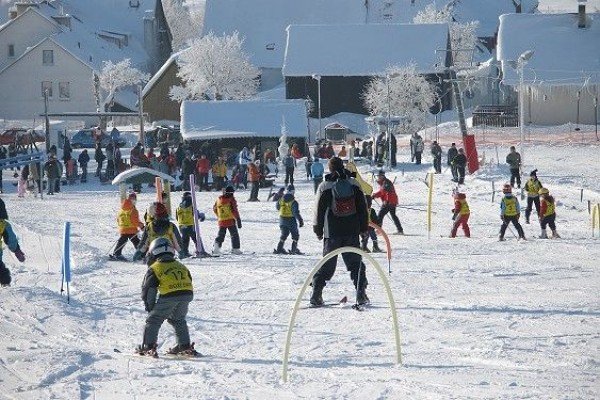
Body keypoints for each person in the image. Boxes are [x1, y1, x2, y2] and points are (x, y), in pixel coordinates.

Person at [311, 157, 369, 307]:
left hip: (332, 233)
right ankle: (361, 293)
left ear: (329, 169)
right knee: (356, 263)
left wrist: (318, 229)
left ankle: (316, 294)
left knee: (327, 264)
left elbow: (319, 210)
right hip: (352, 231)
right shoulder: (354, 183)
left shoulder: (325, 186)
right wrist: (363, 228)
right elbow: (363, 208)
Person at [136, 237, 198, 357]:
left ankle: (148, 347)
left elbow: (149, 290)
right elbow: (188, 279)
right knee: (178, 319)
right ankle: (184, 346)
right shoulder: (180, 265)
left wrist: (150, 308)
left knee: (153, 320)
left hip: (170, 295)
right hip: (186, 293)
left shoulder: (155, 268)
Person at [110, 192, 144, 261]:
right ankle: (142, 254)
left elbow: (118, 219)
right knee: (136, 242)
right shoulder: (133, 210)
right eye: (134, 199)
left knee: (122, 241)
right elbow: (135, 221)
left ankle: (117, 253)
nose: (134, 201)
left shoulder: (121, 209)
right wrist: (142, 226)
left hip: (123, 229)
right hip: (131, 229)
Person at [212, 185, 242, 255]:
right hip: (230, 220)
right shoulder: (231, 200)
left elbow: (214, 209)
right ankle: (236, 249)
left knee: (221, 235)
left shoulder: (219, 199)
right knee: (234, 235)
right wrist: (238, 219)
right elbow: (234, 210)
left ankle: (216, 248)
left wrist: (219, 216)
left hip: (221, 220)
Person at [274, 185, 304, 254]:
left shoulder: (281, 199)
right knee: (295, 235)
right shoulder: (293, 202)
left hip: (282, 219)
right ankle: (294, 249)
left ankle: (279, 248)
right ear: (293, 192)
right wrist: (300, 221)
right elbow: (295, 212)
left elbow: (277, 207)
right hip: (291, 220)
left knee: (284, 234)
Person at [0, 208, 26, 287]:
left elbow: (11, 238)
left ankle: (5, 284)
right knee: (2, 272)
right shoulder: (3, 224)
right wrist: (16, 250)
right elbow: (11, 239)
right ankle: (5, 284)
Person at [372, 170, 404, 235]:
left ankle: (379, 230)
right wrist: (374, 195)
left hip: (390, 201)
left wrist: (386, 201)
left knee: (380, 214)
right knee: (393, 215)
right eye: (378, 176)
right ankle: (400, 230)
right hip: (392, 201)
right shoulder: (384, 183)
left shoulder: (386, 183)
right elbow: (381, 192)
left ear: (383, 176)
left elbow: (388, 193)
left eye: (380, 176)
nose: (378, 177)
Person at [176, 192, 206, 257]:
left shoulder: (179, 206)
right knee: (196, 238)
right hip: (190, 225)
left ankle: (184, 252)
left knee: (185, 239)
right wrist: (202, 216)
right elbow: (196, 215)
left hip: (181, 225)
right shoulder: (191, 206)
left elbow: (176, 217)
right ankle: (201, 251)